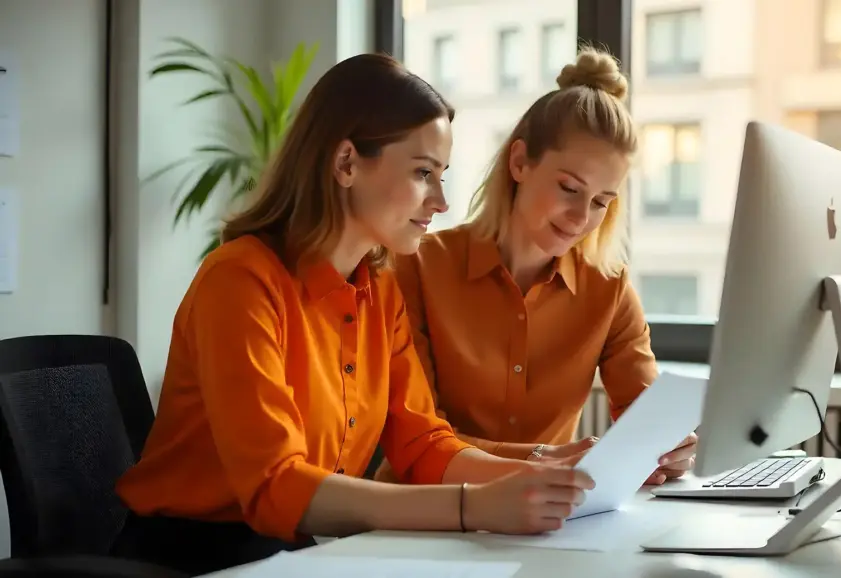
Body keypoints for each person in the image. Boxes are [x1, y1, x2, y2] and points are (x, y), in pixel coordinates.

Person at [109, 53, 594, 577]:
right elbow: (276, 485)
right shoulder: (240, 280)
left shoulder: (379, 289)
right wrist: (470, 506)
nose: (440, 202)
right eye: (423, 173)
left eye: (442, 176)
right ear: (345, 164)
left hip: (292, 550)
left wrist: (545, 471)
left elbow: (421, 444)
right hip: (191, 556)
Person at [377, 48, 697, 486]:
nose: (582, 217)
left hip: (545, 521)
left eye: (603, 201)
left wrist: (668, 449)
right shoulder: (417, 267)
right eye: (569, 188)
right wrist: (545, 459)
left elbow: (646, 425)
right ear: (519, 162)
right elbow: (417, 437)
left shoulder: (609, 289)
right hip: (423, 513)